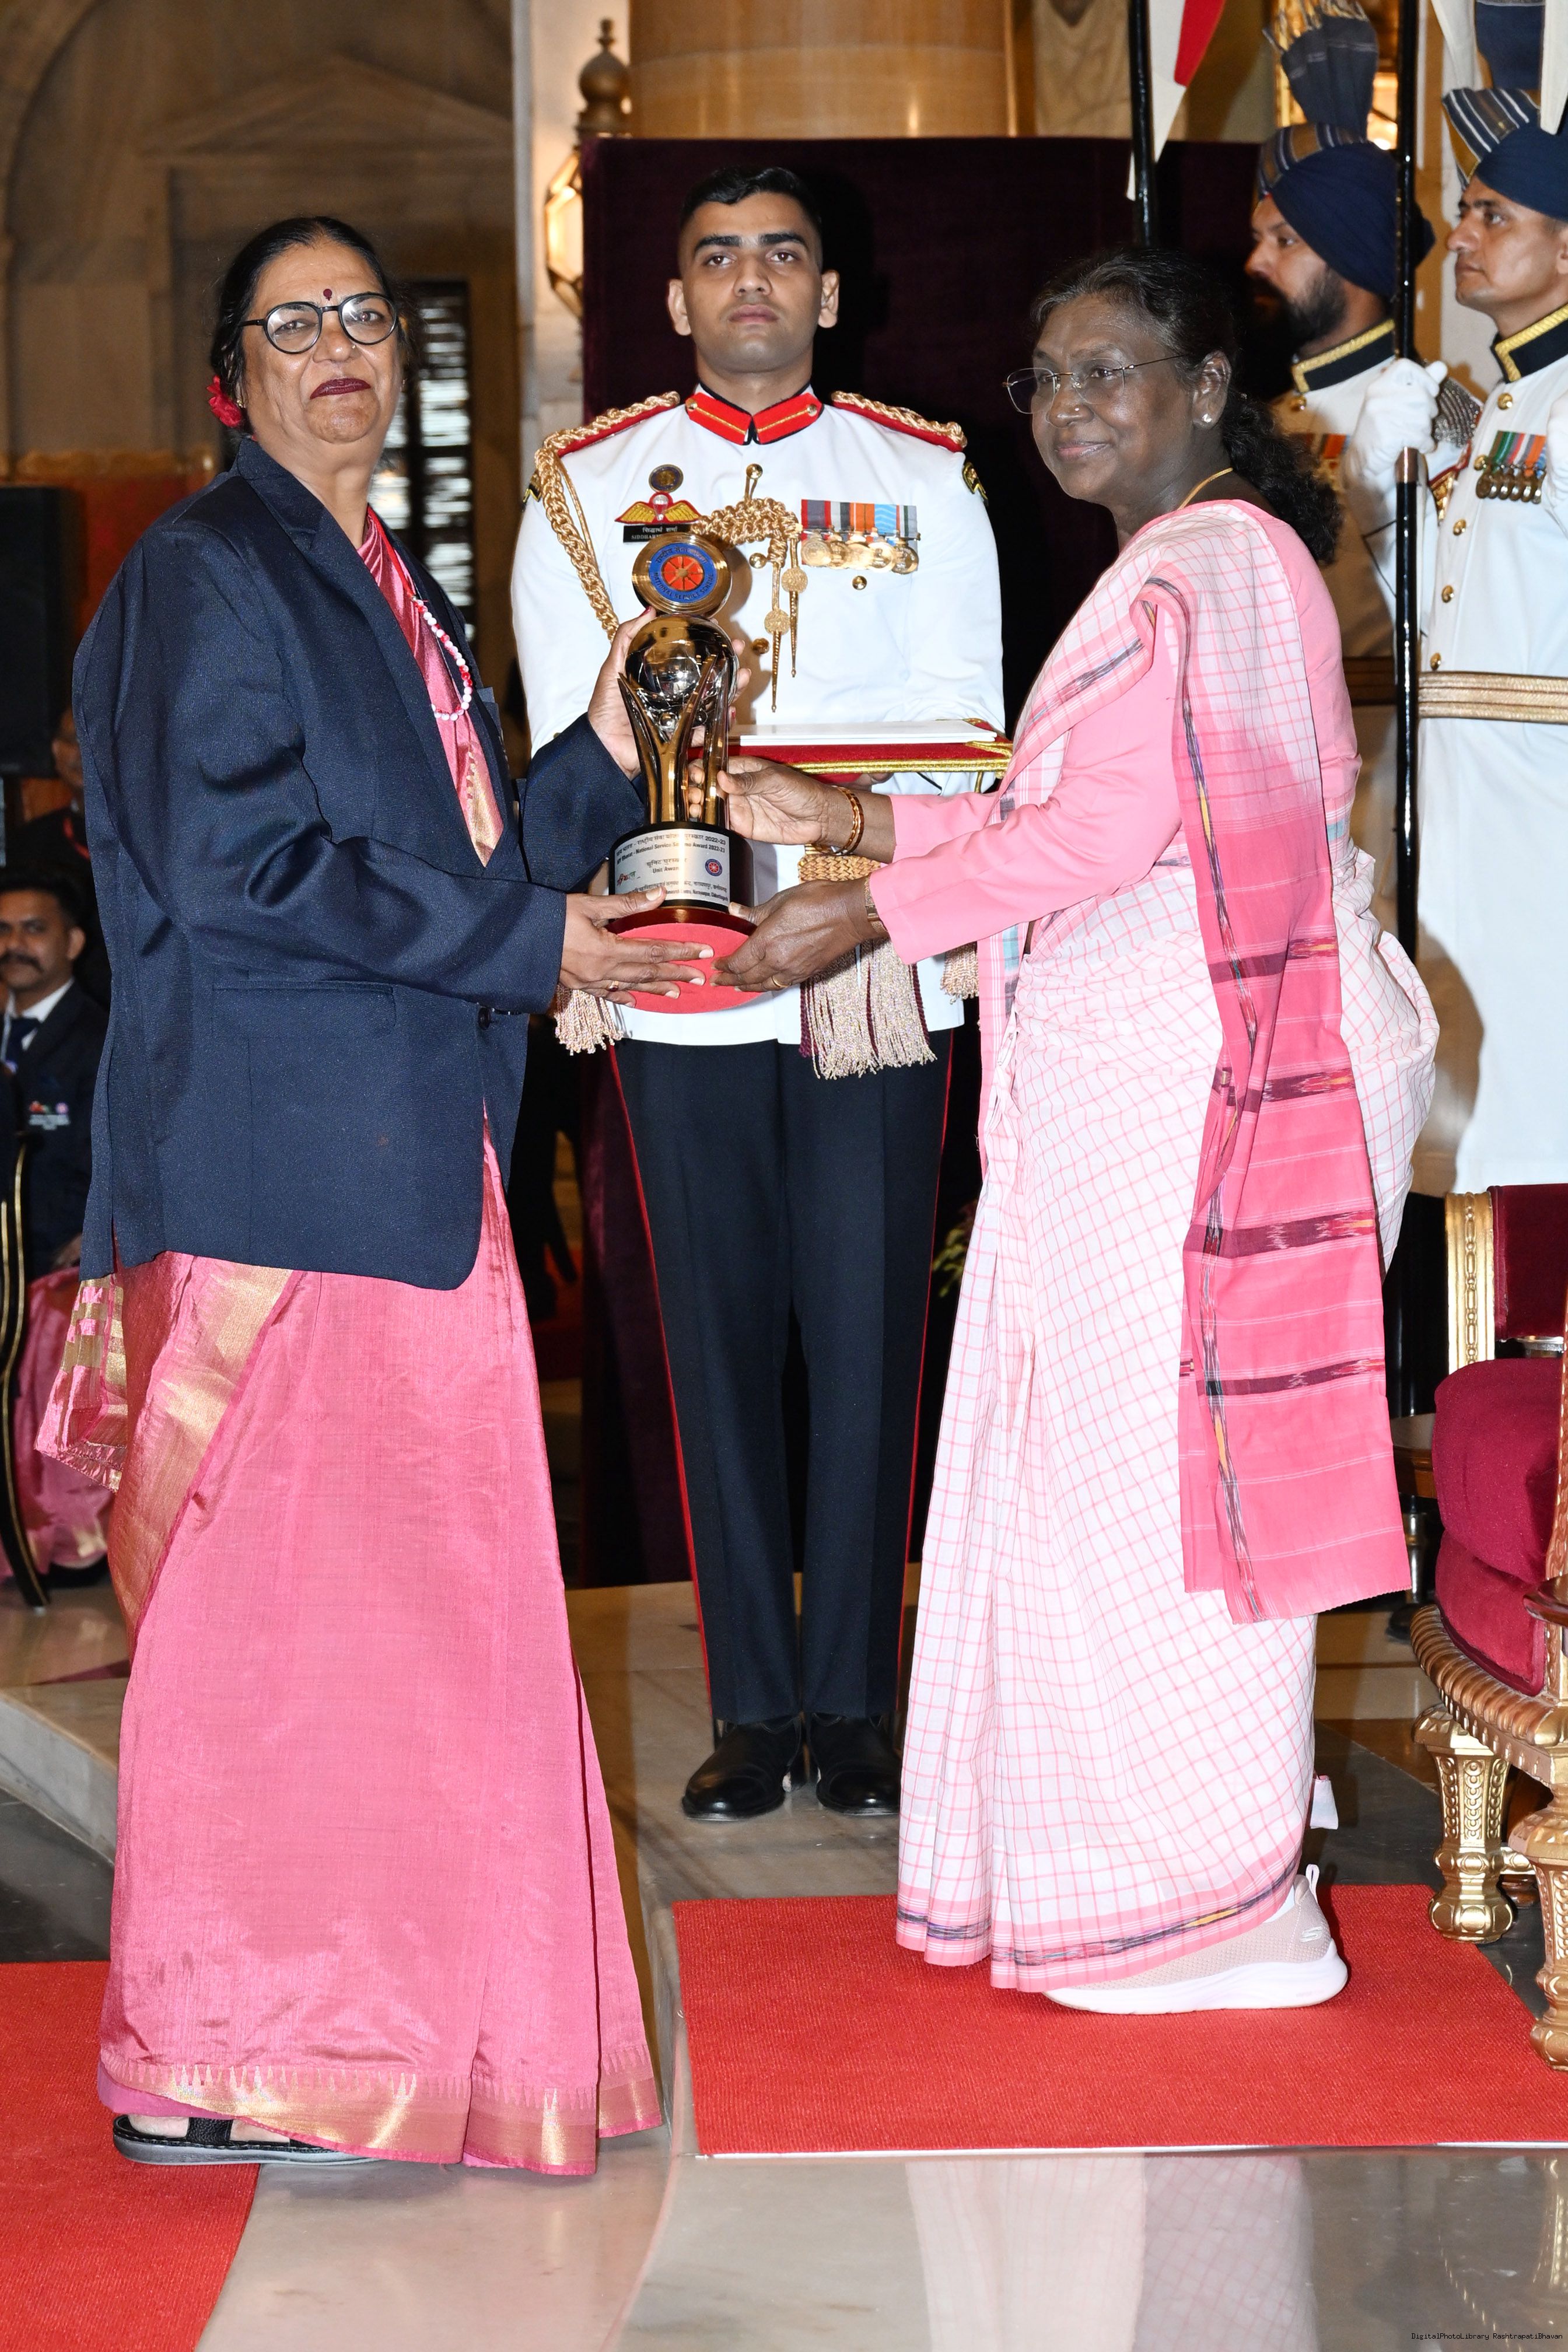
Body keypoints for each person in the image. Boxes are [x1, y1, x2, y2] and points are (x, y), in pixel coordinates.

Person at [42, 213, 698, 2167]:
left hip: (408, 1165)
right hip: (286, 1183)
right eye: (292, 320)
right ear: (231, 379)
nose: (339, 342)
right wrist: (535, 947)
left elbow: (475, 868)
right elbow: (242, 872)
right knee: (274, 1643)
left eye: (362, 314)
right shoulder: (207, 573)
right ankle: (206, 2054)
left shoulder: (387, 591)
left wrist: (604, 748)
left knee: (408, 1641)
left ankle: (371, 2037)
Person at [715, 247, 1435, 2011]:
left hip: (1204, 1079)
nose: (1066, 407)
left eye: (1108, 371)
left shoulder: (1209, 563)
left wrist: (861, 914)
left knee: (1174, 1491)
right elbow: (1072, 806)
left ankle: (1222, 1907)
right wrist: (848, 818)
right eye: (1045, 378)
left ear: (1208, 388)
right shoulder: (1192, 563)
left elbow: (1099, 840)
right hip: (1169, 1072)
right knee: (1123, 1485)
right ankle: (1179, 1881)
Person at [512, 163, 1003, 1822]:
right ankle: (749, 1705)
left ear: (828, 294)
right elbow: (567, 759)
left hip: (869, 954)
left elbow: (974, 735)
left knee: (869, 1336)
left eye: (783, 256)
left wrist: (837, 868)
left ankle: (854, 1705)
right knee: (710, 1345)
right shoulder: (586, 489)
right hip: (677, 962)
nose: (751, 281)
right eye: (717, 256)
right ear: (671, 299)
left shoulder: (922, 475)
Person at [1342, 0, 1568, 1189]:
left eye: (1492, 216)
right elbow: (1436, 622)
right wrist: (1390, 498)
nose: (1459, 235)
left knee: (1537, 1104)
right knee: (1472, 1123)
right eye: (1465, 209)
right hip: (1469, 804)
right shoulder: (1498, 410)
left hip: (1543, 810)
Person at [1247, 0, 1474, 925]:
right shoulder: (1261, 418)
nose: (1256, 262)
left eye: (1284, 242)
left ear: (1349, 260)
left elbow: (1455, 601)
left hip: (1387, 754)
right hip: (1269, 768)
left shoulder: (1438, 411)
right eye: (1260, 237)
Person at [0, 867, 103, 1279]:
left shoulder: (102, 1040)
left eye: (34, 929)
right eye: (3, 929)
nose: (14, 945)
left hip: (55, 1272)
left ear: (73, 942)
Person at [11, 710, 110, 1007]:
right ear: (56, 751)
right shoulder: (30, 841)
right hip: (61, 1012)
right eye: (72, 740)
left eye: (95, 740)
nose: (82, 752)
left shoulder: (157, 837)